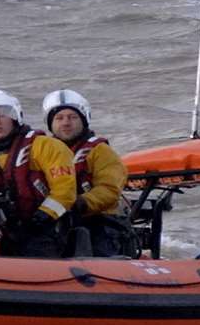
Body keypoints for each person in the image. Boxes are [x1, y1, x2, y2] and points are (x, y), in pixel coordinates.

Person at [0, 88, 76, 257]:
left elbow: (65, 190)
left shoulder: (46, 146)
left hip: (41, 230)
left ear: (15, 117)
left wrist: (43, 216)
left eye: (2, 115)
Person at [42, 88, 134, 257]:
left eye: (72, 117)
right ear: (51, 124)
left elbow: (109, 190)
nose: (65, 123)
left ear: (84, 120)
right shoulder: (42, 152)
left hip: (99, 223)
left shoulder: (100, 151)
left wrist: (81, 203)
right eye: (59, 118)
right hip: (55, 220)